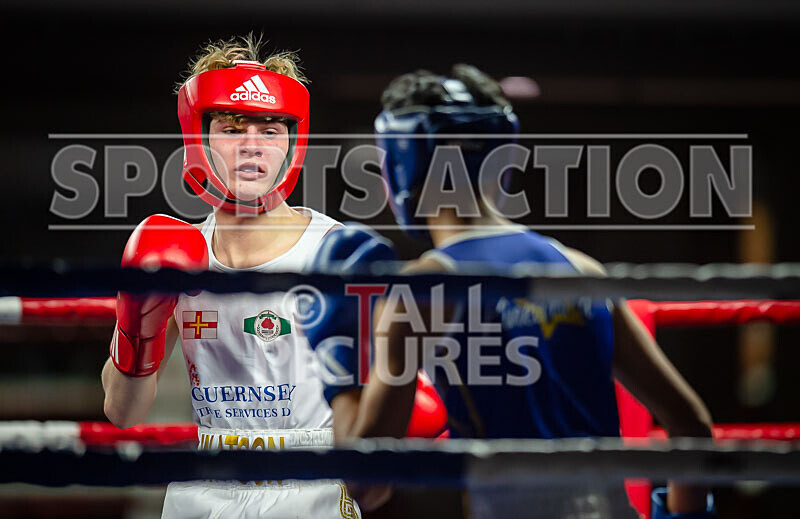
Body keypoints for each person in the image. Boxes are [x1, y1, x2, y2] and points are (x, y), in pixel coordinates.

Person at [309, 65, 715, 518]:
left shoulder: (422, 292)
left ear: (400, 164)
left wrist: (340, 356)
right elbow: (691, 422)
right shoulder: (580, 269)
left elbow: (365, 485)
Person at [101, 34, 359, 518]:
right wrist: (139, 328)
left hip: (312, 484)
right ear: (198, 137)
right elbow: (123, 413)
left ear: (292, 140)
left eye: (270, 128)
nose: (252, 147)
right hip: (203, 488)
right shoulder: (177, 254)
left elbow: (395, 391)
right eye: (231, 128)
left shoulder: (336, 251)